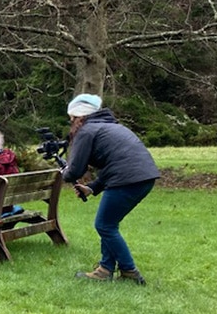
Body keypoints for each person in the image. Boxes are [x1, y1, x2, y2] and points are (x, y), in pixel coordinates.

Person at [62, 93, 160, 285]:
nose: (71, 123)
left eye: (72, 118)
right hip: (143, 178)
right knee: (109, 224)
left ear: (80, 117)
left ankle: (129, 271)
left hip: (128, 179)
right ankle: (105, 269)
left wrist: (64, 173)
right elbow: (115, 163)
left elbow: (75, 170)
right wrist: (92, 188)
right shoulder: (112, 127)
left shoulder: (87, 131)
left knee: (104, 225)